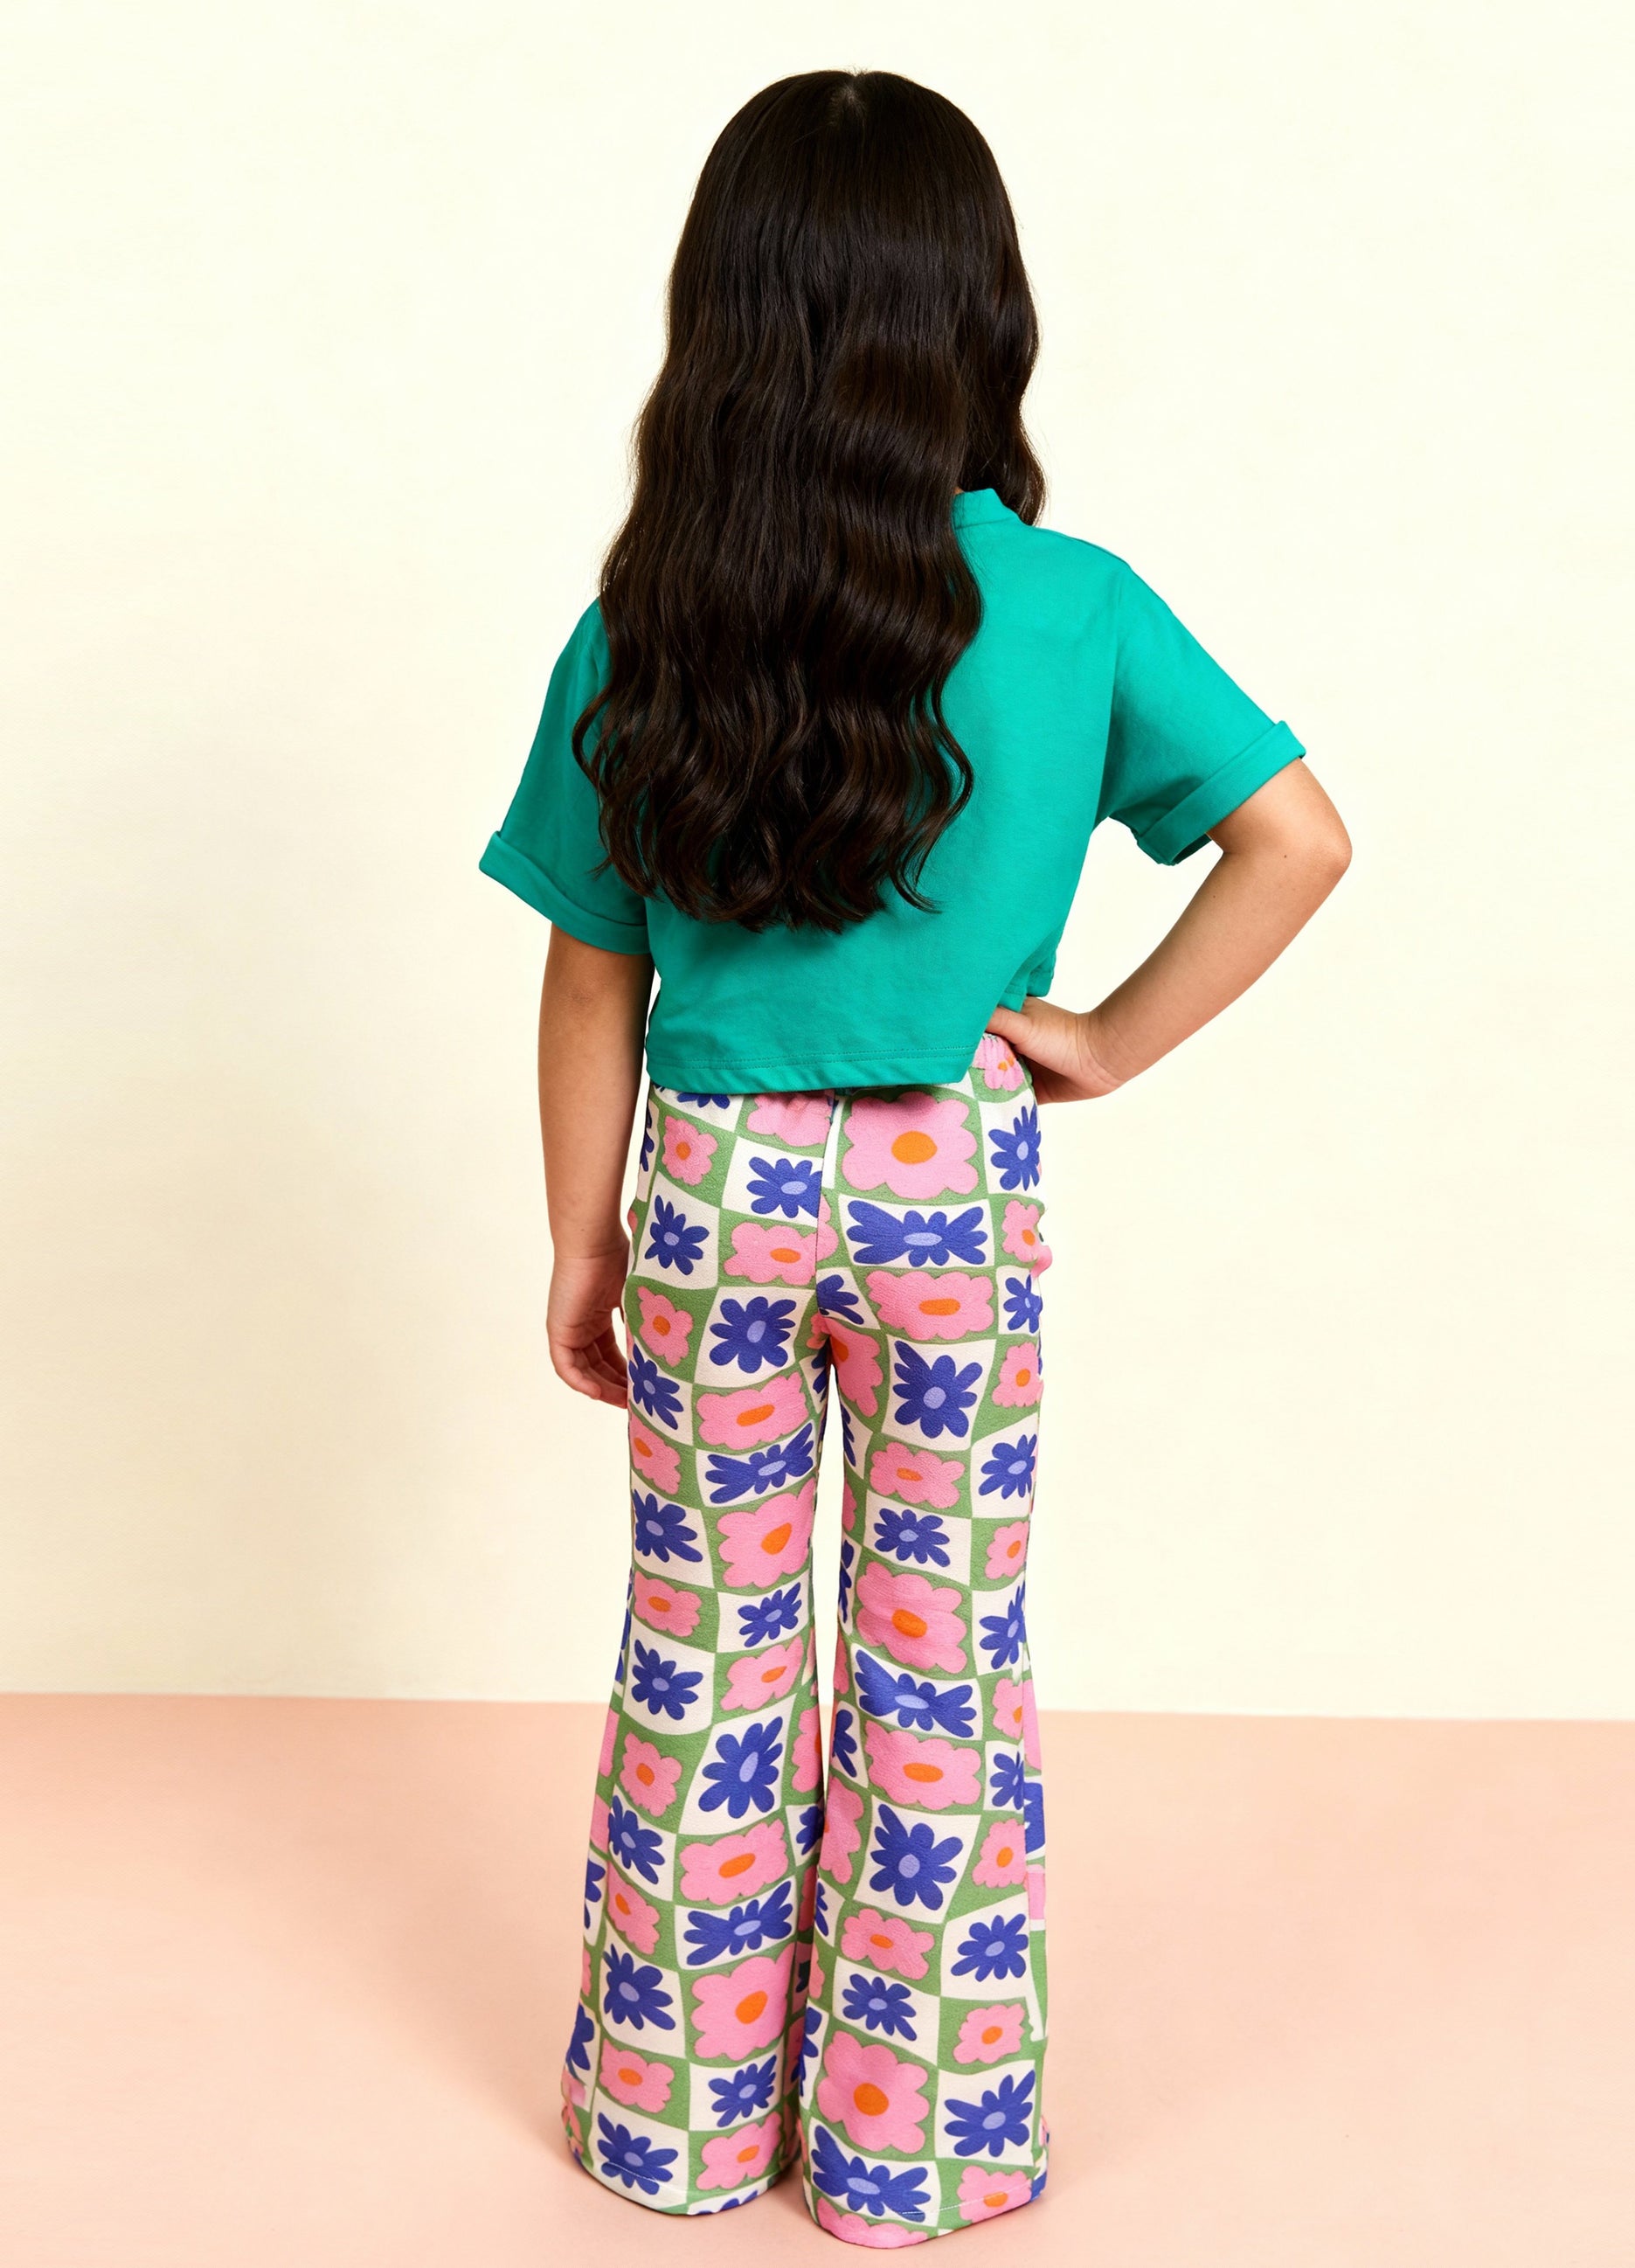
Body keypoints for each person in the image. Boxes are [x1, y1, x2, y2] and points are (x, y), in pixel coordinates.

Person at [479, 67, 1349, 2244]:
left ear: (725, 316)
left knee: (709, 1644)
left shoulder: (649, 614)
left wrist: (583, 1240)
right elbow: (1296, 838)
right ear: (978, 314)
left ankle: (675, 2130)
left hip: (715, 1188)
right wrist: (1100, 1043)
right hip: (952, 1188)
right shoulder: (1075, 606)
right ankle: (909, 2146)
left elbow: (591, 972)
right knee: (937, 1654)